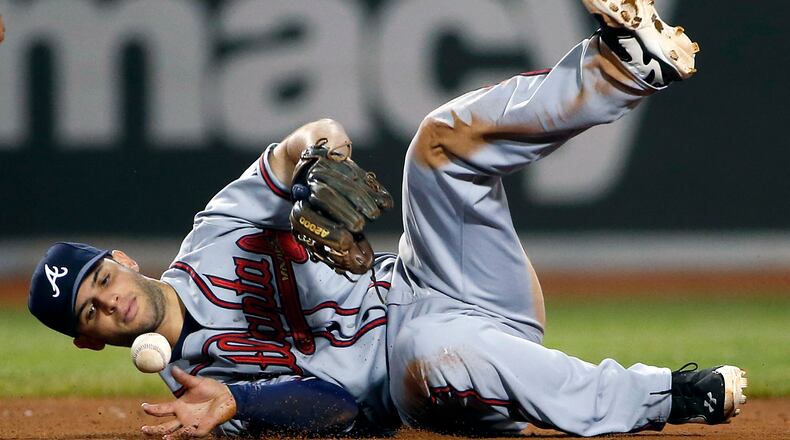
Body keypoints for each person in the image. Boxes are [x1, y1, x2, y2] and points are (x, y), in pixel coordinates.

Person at [28, 1, 747, 438]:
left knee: (436, 145)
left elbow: (317, 133)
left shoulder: (217, 230)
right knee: (430, 351)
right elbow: (338, 413)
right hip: (423, 373)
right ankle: (669, 394)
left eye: (98, 278)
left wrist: (316, 175)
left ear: (120, 258)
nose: (107, 299)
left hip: (440, 277)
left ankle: (621, 69)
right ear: (91, 344)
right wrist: (237, 402)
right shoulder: (200, 396)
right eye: (90, 313)